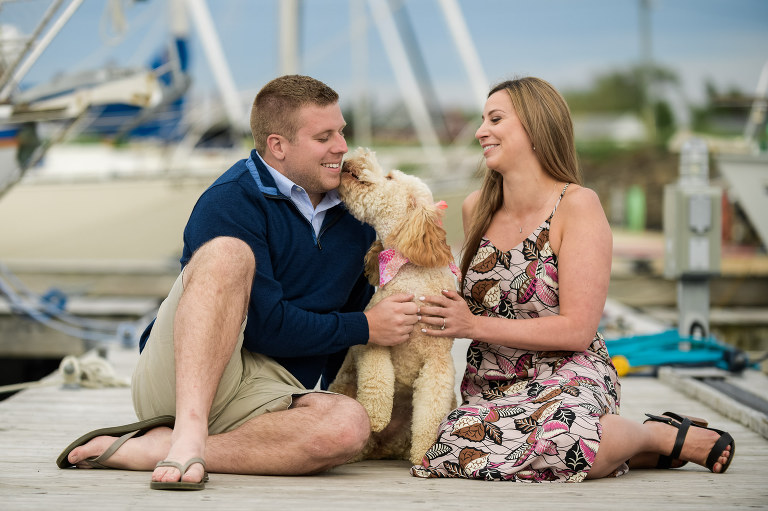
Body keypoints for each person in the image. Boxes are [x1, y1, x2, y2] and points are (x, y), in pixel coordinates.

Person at [58, 75, 419, 489]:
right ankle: (187, 430)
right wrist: (368, 327)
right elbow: (267, 326)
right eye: (324, 136)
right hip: (187, 375)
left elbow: (346, 320)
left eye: (341, 132)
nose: (341, 146)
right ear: (278, 145)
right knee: (227, 252)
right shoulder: (231, 199)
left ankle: (159, 448)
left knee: (348, 428)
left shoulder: (356, 219)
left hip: (270, 392)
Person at [410, 77, 734, 482]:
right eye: (482, 120)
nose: (480, 132)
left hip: (569, 373)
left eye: (495, 119)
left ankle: (656, 434)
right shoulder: (476, 208)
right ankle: (632, 444)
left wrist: (473, 325)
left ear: (535, 127)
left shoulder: (577, 205)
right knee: (450, 447)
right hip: (494, 382)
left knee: (570, 438)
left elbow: (578, 330)